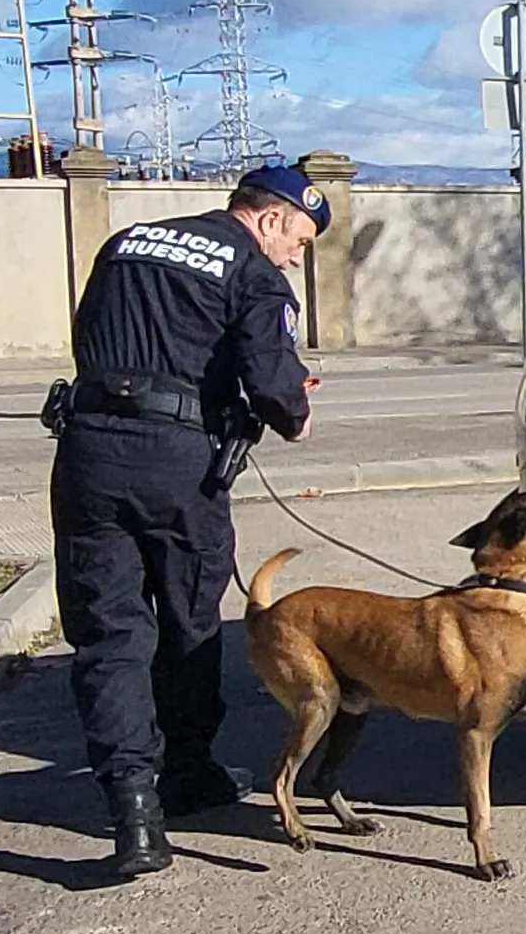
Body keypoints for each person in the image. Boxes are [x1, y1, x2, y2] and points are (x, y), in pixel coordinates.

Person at [51, 165, 324, 878]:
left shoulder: (127, 241)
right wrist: (295, 411)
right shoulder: (253, 270)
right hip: (177, 462)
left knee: (107, 634)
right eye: (298, 238)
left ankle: (132, 811)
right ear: (267, 219)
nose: (296, 255)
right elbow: (272, 384)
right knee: (190, 621)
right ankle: (188, 773)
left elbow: (94, 338)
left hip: (87, 450)